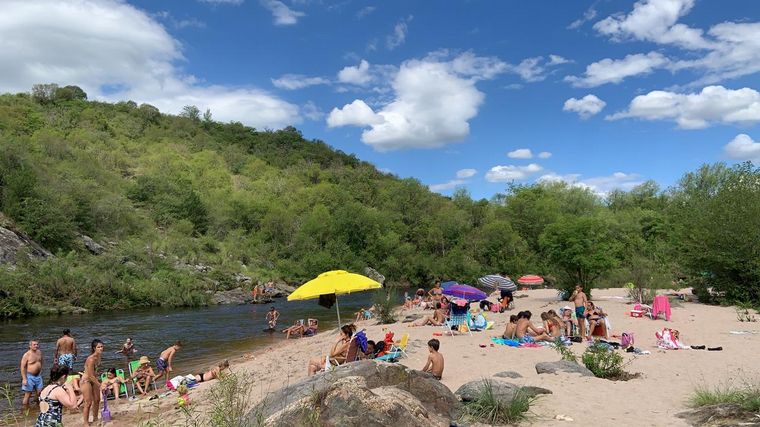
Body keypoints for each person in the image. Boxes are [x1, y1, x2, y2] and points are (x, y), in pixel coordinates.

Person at [81, 339, 104, 425]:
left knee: (97, 400)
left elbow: (95, 372)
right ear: (94, 348)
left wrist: (99, 381)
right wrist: (100, 385)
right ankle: (86, 423)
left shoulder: (98, 357)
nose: (101, 348)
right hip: (86, 381)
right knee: (88, 403)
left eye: (101, 346)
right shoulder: (91, 359)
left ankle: (95, 418)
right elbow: (90, 375)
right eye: (98, 347)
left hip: (93, 379)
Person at [20, 340, 44, 413]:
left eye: (37, 344)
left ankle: (37, 407)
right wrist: (24, 378)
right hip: (29, 376)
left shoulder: (39, 352)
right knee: (28, 394)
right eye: (34, 345)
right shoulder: (27, 355)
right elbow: (22, 367)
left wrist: (41, 370)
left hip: (38, 376)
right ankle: (25, 410)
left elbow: (41, 361)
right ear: (30, 346)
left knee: (39, 393)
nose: (36, 346)